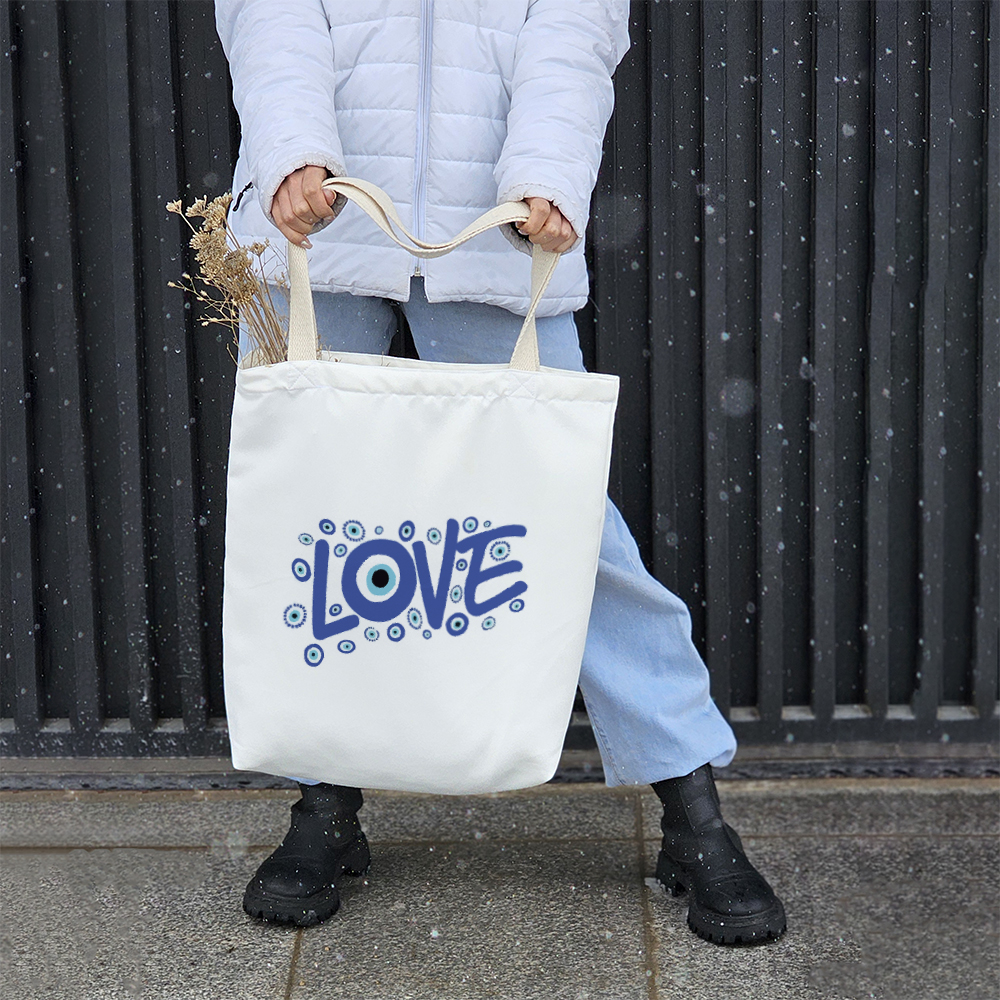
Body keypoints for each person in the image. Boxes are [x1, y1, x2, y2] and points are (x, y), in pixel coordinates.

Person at [215, 0, 786, 946]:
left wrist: (548, 174)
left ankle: (693, 812)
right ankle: (323, 802)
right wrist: (291, 153)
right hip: (316, 229)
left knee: (567, 529)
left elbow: (573, 27)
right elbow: (272, 15)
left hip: (495, 233)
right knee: (317, 535)